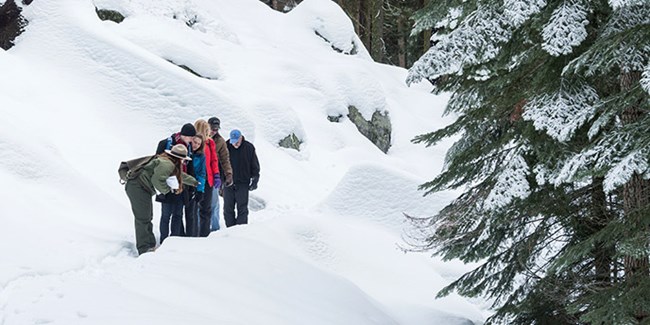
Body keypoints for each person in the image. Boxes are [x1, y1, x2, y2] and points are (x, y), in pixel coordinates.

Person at [125, 144, 197, 255]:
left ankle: (150, 245)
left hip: (141, 188)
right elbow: (157, 180)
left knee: (147, 216)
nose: (183, 162)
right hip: (137, 187)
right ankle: (144, 249)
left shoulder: (167, 162)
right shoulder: (167, 165)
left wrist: (194, 181)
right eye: (183, 160)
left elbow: (180, 175)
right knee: (143, 218)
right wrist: (168, 190)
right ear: (179, 159)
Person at [156, 123, 196, 242]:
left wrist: (192, 185)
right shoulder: (166, 143)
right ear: (184, 135)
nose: (191, 140)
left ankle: (174, 240)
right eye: (190, 137)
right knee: (166, 215)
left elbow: (190, 167)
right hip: (167, 185)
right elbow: (157, 163)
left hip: (181, 185)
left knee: (178, 215)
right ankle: (163, 240)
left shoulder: (188, 148)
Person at [223, 129, 260, 227]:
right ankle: (230, 230)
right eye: (233, 142)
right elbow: (220, 164)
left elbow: (255, 165)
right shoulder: (226, 147)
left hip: (243, 183)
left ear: (241, 137)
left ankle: (241, 231)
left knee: (242, 209)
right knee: (228, 209)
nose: (235, 144)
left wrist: (255, 179)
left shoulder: (249, 148)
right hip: (228, 183)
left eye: (237, 142)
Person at [208, 117, 234, 231]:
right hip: (200, 174)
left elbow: (225, 159)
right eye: (212, 128)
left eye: (216, 129)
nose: (214, 131)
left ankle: (215, 228)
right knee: (199, 204)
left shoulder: (220, 141)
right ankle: (198, 228)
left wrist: (228, 173)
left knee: (214, 203)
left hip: (214, 175)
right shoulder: (199, 138)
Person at [195, 119, 220, 236]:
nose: (208, 132)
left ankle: (204, 234)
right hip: (195, 180)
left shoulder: (210, 143)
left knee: (206, 209)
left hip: (208, 180)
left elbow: (214, 160)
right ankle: (193, 233)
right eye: (206, 130)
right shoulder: (194, 143)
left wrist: (216, 175)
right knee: (194, 209)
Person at [187, 134, 206, 237]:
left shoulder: (201, 156)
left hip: (193, 185)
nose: (196, 145)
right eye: (195, 142)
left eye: (199, 144)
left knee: (191, 214)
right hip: (183, 185)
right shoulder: (185, 151)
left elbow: (202, 173)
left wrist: (200, 189)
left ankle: (192, 236)